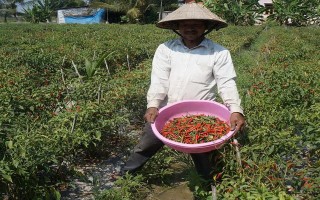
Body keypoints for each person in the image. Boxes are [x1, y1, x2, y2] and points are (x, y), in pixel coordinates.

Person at [122, 2, 246, 186]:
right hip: (166, 111)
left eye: (196, 24)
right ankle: (125, 177)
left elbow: (226, 82)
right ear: (177, 27)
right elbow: (159, 80)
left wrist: (235, 109)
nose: (190, 28)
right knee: (146, 145)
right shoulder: (166, 49)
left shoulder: (219, 53)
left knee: (203, 153)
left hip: (202, 115)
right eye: (185, 24)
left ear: (206, 27)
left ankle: (209, 184)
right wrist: (153, 105)